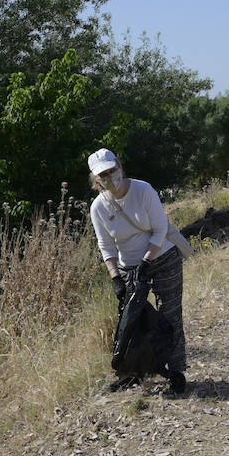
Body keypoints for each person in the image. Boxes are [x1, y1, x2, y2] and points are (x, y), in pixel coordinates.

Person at [88, 148, 187, 395]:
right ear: (96, 179)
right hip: (129, 267)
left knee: (170, 314)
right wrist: (115, 278)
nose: (110, 176)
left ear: (120, 167)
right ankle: (133, 372)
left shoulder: (143, 190)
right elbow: (105, 245)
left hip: (162, 256)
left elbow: (160, 228)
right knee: (131, 322)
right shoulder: (99, 207)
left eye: (112, 170)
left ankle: (175, 371)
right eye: (103, 174)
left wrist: (147, 261)